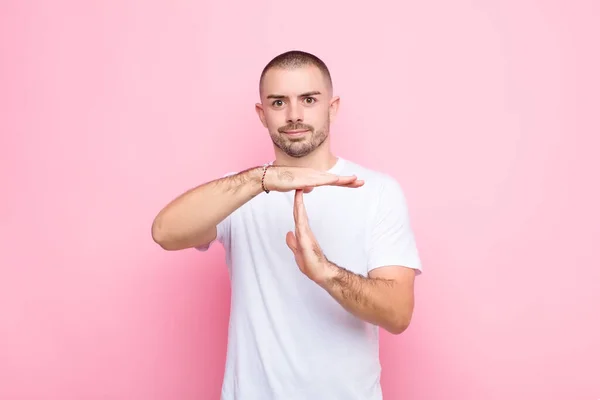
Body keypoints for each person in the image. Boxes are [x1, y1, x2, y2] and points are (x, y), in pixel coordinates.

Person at [151, 50, 423, 400]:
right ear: (262, 115)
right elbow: (164, 233)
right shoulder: (239, 192)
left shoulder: (378, 191)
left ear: (333, 107)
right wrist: (263, 179)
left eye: (308, 99)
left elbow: (398, 313)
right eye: (279, 102)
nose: (294, 115)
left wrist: (325, 272)